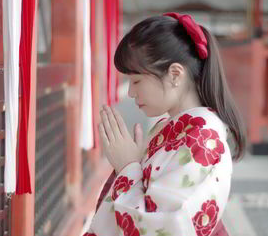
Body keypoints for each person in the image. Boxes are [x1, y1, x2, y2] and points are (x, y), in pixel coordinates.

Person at [83, 12, 246, 236]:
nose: (131, 92)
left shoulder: (203, 140)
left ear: (175, 74)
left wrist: (128, 167)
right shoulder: (173, 129)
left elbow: (162, 227)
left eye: (136, 80)